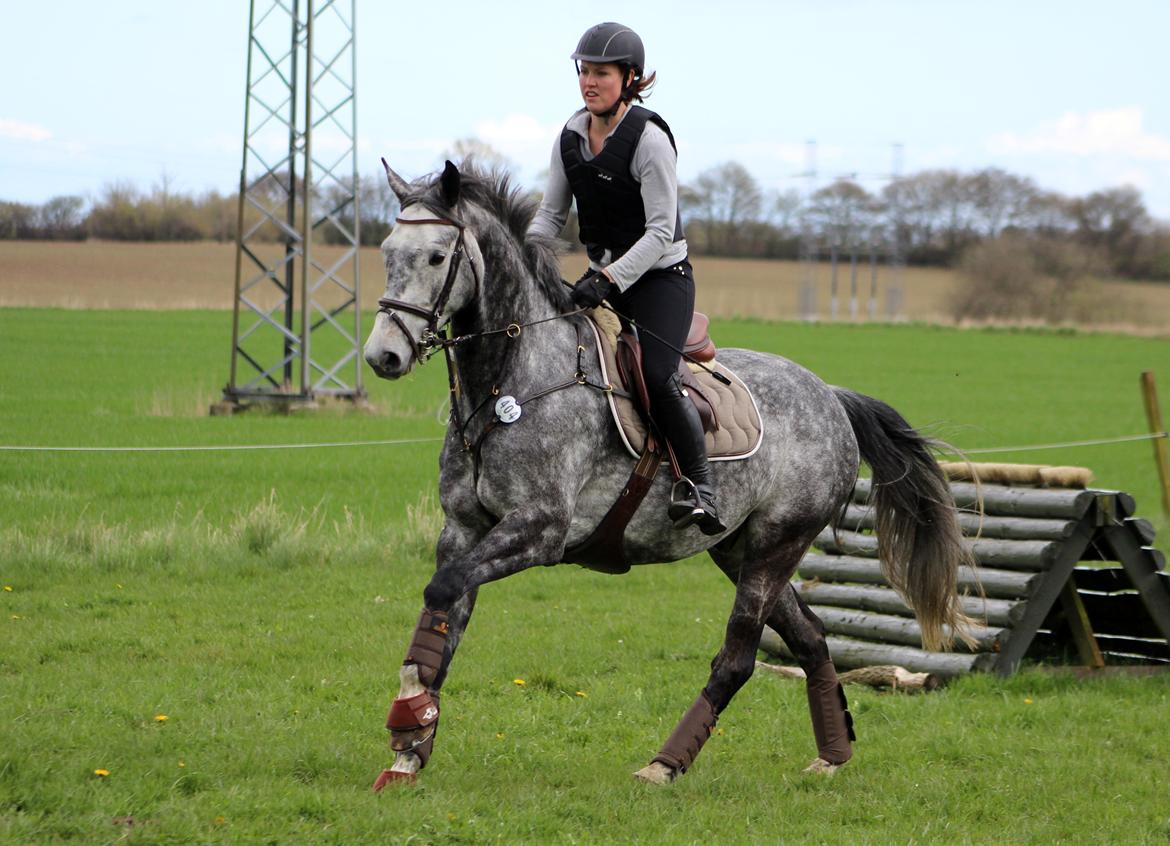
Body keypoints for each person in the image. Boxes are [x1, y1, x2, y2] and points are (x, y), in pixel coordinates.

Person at [526, 22, 724, 535]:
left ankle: (701, 485)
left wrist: (608, 279)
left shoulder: (650, 140)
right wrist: (525, 256)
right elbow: (550, 217)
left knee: (657, 375)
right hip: (602, 279)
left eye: (602, 73)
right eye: (584, 71)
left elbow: (660, 233)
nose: (589, 82)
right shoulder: (570, 135)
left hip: (660, 280)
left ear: (629, 78)